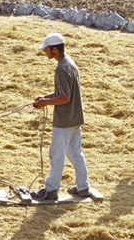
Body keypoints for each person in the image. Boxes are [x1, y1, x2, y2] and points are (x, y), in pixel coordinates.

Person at [31, 32, 90, 201]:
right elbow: (64, 92)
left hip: (64, 120)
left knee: (57, 155)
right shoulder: (70, 63)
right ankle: (83, 187)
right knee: (75, 153)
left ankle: (51, 190)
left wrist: (45, 103)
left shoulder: (61, 69)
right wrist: (46, 98)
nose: (45, 52)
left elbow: (65, 97)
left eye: (46, 49)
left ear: (54, 50)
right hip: (75, 117)